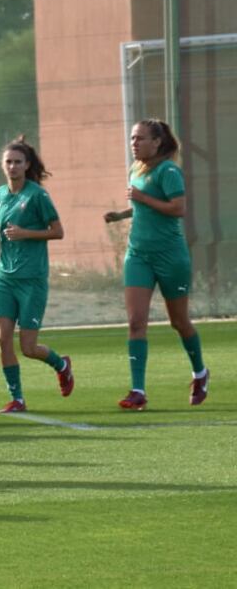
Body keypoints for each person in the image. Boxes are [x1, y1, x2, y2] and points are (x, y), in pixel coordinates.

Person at [105, 119, 209, 409]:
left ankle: (200, 372)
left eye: (140, 138)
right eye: (132, 138)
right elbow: (143, 204)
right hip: (138, 255)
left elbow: (177, 209)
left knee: (179, 321)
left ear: (157, 142)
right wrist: (121, 214)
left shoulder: (169, 171)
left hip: (170, 256)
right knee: (136, 322)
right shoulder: (136, 169)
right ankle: (138, 391)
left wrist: (141, 198)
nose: (134, 143)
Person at [0, 136, 74, 413]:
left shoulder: (37, 195)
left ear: (27, 165)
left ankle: (61, 364)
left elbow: (58, 231)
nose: (13, 166)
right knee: (2, 338)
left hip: (32, 279)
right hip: (5, 277)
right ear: (2, 165)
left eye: (18, 162)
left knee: (28, 347)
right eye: (8, 162)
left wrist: (25, 233)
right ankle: (17, 399)